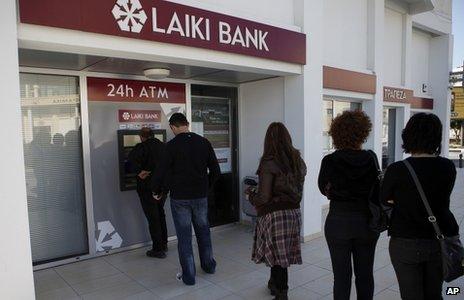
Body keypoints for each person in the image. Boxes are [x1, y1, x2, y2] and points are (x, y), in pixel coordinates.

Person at [381, 113, 459, 300]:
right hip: (439, 239)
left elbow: (384, 199)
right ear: (436, 138)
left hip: (405, 241)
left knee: (410, 295)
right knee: (434, 294)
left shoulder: (397, 169)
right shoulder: (448, 167)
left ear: (408, 136)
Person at [152, 113, 221, 286]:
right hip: (200, 196)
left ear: (173, 127)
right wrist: (206, 188)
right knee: (204, 232)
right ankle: (208, 266)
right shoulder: (204, 142)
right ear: (187, 124)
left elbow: (161, 172)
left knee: (184, 238)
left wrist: (157, 190)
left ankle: (189, 276)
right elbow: (216, 171)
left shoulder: (171, 146)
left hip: (180, 198)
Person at [318, 110, 380, 300]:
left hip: (338, 222)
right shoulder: (371, 158)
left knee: (341, 277)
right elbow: (377, 189)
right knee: (365, 275)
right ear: (363, 132)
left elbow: (323, 189)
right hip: (366, 223)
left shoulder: (330, 160)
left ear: (336, 133)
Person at [246, 122, 307, 300]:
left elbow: (264, 198)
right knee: (280, 252)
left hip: (275, 215)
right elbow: (297, 189)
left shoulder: (268, 162)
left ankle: (282, 293)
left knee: (278, 256)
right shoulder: (297, 159)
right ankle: (273, 283)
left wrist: (250, 196)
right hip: (294, 213)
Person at [129, 127, 168, 258]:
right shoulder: (164, 146)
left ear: (141, 136)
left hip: (147, 188)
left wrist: (139, 172)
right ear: (153, 135)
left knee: (153, 217)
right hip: (162, 187)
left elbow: (130, 162)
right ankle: (164, 244)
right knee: (160, 213)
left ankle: (158, 249)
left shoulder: (140, 147)